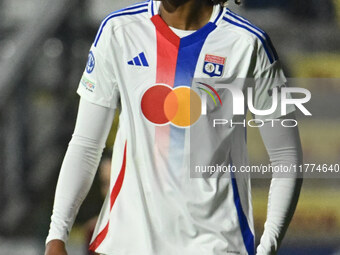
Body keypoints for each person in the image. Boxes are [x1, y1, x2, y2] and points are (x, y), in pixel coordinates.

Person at [45, 0, 303, 255]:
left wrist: (268, 246)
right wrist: (57, 235)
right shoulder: (119, 30)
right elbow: (86, 144)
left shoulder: (248, 44)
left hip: (215, 246)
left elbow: (286, 157)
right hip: (126, 245)